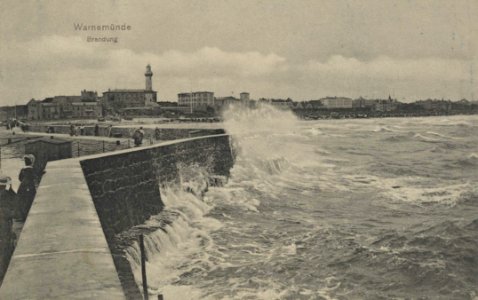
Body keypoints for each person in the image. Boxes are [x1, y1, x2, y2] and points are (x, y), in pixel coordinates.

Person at [0, 175, 17, 280]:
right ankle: (3, 270)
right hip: (4, 225)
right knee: (5, 246)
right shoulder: (5, 195)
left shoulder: (5, 194)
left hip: (4, 224)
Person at [17, 155, 37, 221]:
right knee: (29, 200)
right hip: (29, 186)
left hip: (22, 186)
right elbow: (35, 176)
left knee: (22, 201)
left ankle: (22, 216)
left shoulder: (23, 169)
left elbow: (20, 178)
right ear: (31, 162)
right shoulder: (31, 169)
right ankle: (27, 216)